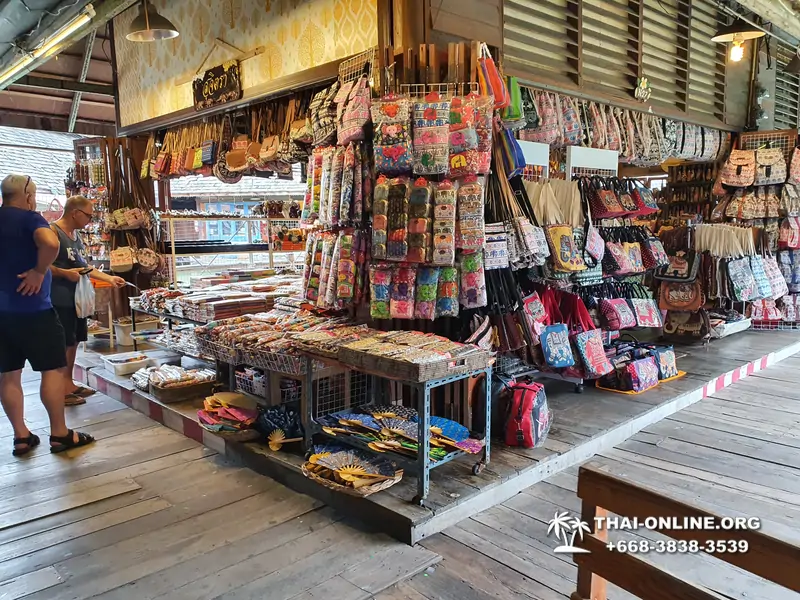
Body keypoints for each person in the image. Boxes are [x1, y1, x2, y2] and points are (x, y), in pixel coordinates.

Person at [0, 174, 94, 456]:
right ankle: (60, 434)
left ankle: (21, 437)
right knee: (52, 370)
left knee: (8, 376)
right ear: (28, 196)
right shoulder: (31, 219)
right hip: (35, 310)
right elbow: (50, 243)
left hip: (2, 313)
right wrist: (39, 271)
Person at [50, 195, 125, 405]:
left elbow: (85, 266)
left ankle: (69, 383)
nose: (90, 221)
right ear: (75, 213)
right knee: (63, 343)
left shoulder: (76, 236)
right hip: (59, 298)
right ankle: (60, 392)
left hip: (78, 299)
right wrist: (65, 274)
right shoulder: (52, 233)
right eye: (89, 216)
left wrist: (109, 278)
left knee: (73, 342)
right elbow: (41, 266)